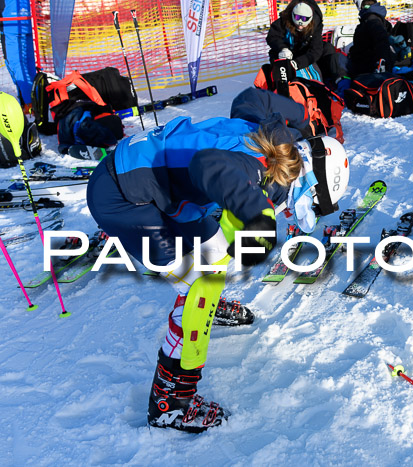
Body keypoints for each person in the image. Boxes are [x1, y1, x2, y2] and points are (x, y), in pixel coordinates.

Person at [86, 87, 350, 432]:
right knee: (197, 285)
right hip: (125, 200)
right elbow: (208, 164)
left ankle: (206, 300)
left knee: (215, 250)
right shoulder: (251, 170)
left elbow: (250, 98)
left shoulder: (269, 138)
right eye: (310, 205)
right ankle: (171, 403)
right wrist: (259, 217)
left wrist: (300, 117)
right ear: (307, 183)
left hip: (155, 186)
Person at [266, 0, 335, 82]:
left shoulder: (315, 24)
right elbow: (272, 37)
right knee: (278, 63)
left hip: (304, 55)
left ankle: (329, 79)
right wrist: (282, 48)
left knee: (328, 48)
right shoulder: (284, 20)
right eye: (297, 18)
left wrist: (297, 63)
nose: (300, 25)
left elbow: (316, 50)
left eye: (305, 19)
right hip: (287, 54)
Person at [345, 0, 396, 77]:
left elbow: (382, 43)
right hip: (367, 65)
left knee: (338, 59)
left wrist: (382, 68)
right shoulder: (374, 18)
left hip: (367, 70)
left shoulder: (372, 20)